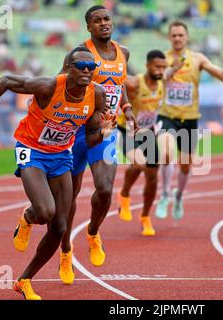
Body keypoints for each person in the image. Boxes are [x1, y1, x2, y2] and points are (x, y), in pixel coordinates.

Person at [0, 47, 115, 299]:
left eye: (92, 67)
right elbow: (6, 80)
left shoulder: (97, 95)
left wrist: (105, 132)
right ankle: (29, 217)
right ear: (68, 68)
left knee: (59, 227)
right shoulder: (48, 87)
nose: (87, 72)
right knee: (45, 212)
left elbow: (90, 138)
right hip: (31, 149)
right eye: (81, 66)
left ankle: (24, 280)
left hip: (62, 154)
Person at [58, 5, 137, 285]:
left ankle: (93, 232)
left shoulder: (123, 52)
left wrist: (126, 107)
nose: (104, 23)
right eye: (97, 20)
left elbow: (120, 83)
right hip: (76, 133)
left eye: (107, 18)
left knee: (105, 190)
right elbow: (60, 83)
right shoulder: (80, 53)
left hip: (105, 133)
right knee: (69, 197)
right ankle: (66, 251)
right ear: (88, 27)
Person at [155, 20, 223, 221]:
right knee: (166, 153)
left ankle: (178, 196)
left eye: (180, 35)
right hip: (167, 115)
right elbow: (155, 81)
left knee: (186, 165)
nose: (177, 38)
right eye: (174, 35)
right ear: (169, 37)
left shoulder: (197, 59)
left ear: (187, 37)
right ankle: (165, 194)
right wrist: (171, 70)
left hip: (190, 118)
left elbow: (220, 74)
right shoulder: (162, 58)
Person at [117, 49, 167, 236]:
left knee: (153, 176)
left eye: (163, 67)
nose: (160, 70)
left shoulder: (163, 82)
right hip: (127, 131)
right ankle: (124, 194)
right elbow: (118, 81)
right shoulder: (135, 83)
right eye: (156, 66)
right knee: (138, 163)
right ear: (147, 66)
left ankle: (145, 216)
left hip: (148, 132)